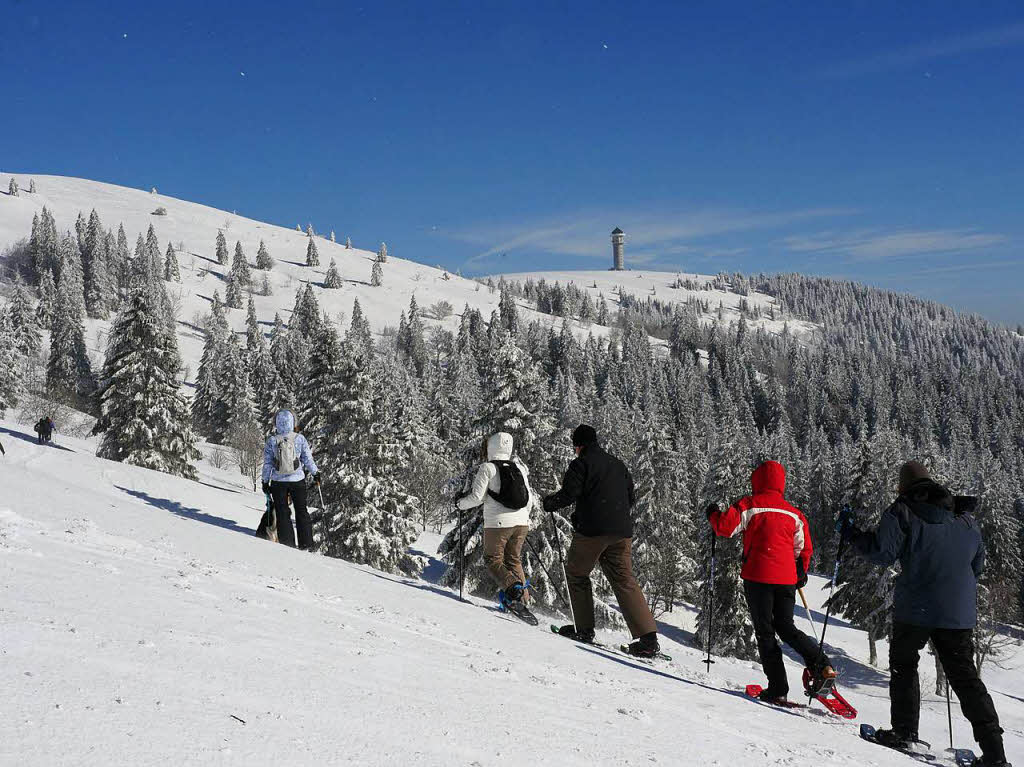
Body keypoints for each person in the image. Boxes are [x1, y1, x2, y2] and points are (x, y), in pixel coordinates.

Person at [839, 461, 1007, 766]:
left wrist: (851, 533)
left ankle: (904, 732)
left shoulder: (901, 511)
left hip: (915, 606)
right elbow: (977, 566)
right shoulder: (965, 518)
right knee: (966, 679)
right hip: (958, 611)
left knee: (904, 665)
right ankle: (995, 753)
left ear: (903, 488)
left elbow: (881, 553)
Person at [707, 459, 835, 703]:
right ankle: (822, 665)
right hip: (786, 578)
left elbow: (725, 528)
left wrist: (713, 514)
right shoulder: (794, 513)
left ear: (757, 480)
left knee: (766, 633)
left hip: (758, 576)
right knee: (786, 628)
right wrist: (800, 572)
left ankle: (778, 688)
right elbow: (804, 548)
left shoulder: (749, 505)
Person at [543, 424, 660, 658]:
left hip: (593, 531)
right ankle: (648, 639)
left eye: (575, 446)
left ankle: (583, 629)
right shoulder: (617, 464)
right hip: (621, 531)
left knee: (577, 573)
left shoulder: (581, 464)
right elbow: (630, 497)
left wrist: (550, 503)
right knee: (624, 579)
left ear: (579, 445)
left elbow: (569, 493)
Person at [457, 432, 536, 623]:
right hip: (522, 522)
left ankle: (512, 589)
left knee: (493, 559)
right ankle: (522, 600)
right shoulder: (519, 468)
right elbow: (530, 499)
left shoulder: (488, 468)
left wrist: (460, 504)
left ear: (491, 447)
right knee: (513, 559)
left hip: (498, 523)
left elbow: (477, 498)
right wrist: (523, 517)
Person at [261, 409, 319, 550]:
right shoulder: (299, 439)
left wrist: (265, 481)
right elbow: (307, 459)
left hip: (278, 482)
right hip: (297, 480)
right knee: (301, 511)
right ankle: (307, 545)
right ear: (293, 422)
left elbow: (267, 463)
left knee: (282, 513)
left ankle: (288, 545)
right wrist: (315, 473)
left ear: (276, 422)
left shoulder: (272, 441)